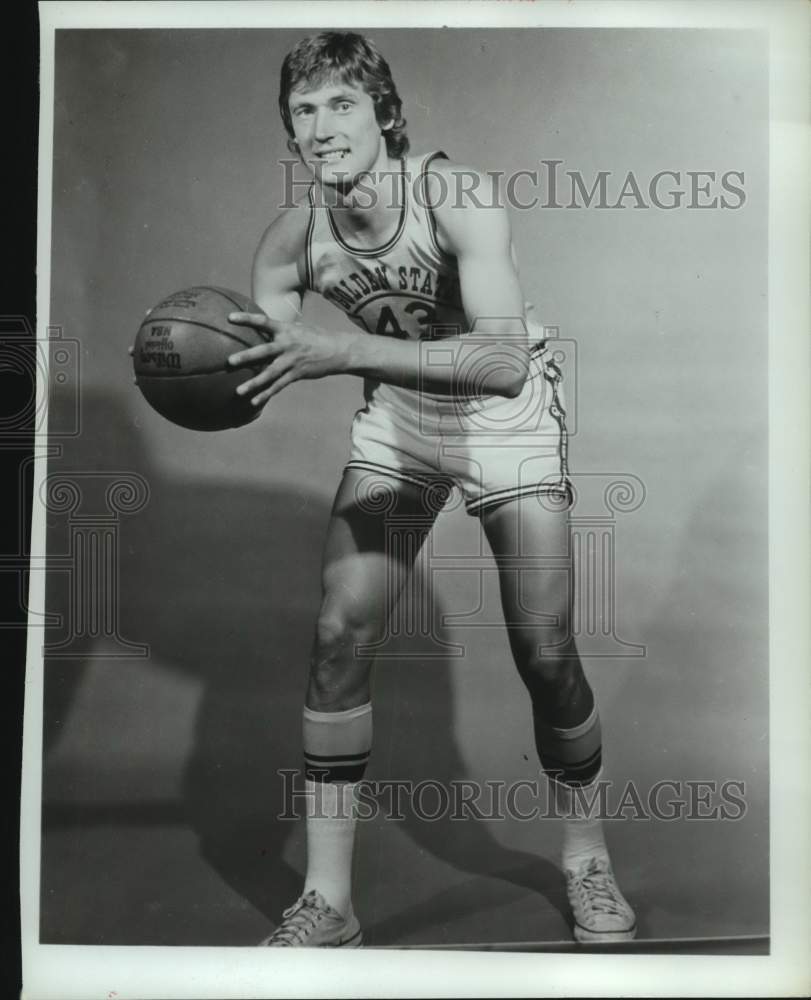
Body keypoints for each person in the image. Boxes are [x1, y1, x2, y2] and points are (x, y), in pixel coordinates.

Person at [227, 31, 636, 947]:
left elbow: (495, 361)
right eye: (303, 109)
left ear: (383, 112)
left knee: (544, 650)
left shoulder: (453, 195)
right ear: (288, 130)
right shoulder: (291, 242)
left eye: (340, 104)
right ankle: (328, 900)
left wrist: (342, 352)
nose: (320, 126)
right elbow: (253, 364)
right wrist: (218, 371)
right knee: (339, 631)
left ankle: (585, 857)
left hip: (507, 421)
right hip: (402, 427)